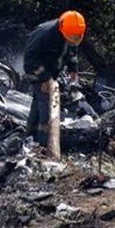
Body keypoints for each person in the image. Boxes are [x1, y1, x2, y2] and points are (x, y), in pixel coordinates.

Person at [23, 11, 86, 146]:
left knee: (38, 103)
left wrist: (73, 69)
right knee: (48, 103)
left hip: (51, 73)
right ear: (62, 29)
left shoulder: (70, 34)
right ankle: (44, 144)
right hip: (37, 70)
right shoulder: (44, 34)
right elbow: (29, 60)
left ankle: (30, 137)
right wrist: (45, 78)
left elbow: (72, 50)